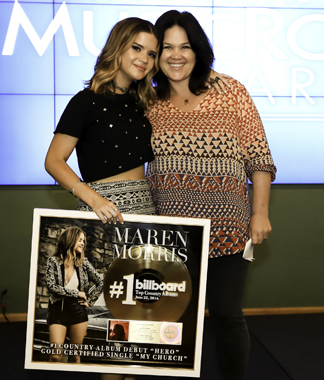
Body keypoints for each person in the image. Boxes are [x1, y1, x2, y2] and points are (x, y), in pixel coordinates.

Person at [146, 10, 277, 380]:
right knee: (168, 319)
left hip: (228, 229)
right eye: (166, 47)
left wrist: (259, 213)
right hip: (168, 233)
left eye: (185, 46)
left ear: (198, 50)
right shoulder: (148, 101)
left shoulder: (231, 91)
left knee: (226, 314)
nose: (176, 55)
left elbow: (260, 157)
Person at [45, 17, 160, 224]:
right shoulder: (86, 101)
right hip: (103, 212)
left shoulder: (144, 102)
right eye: (137, 48)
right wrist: (95, 201)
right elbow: (53, 161)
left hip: (145, 213)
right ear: (118, 47)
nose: (144, 58)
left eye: (151, 54)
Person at [46, 226, 103, 364]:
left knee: (75, 356)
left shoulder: (83, 263)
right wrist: (77, 293)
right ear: (70, 239)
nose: (83, 243)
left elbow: (100, 282)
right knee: (55, 355)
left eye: (84, 241)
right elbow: (52, 287)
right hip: (57, 312)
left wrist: (89, 299)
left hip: (78, 312)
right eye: (80, 240)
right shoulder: (52, 262)